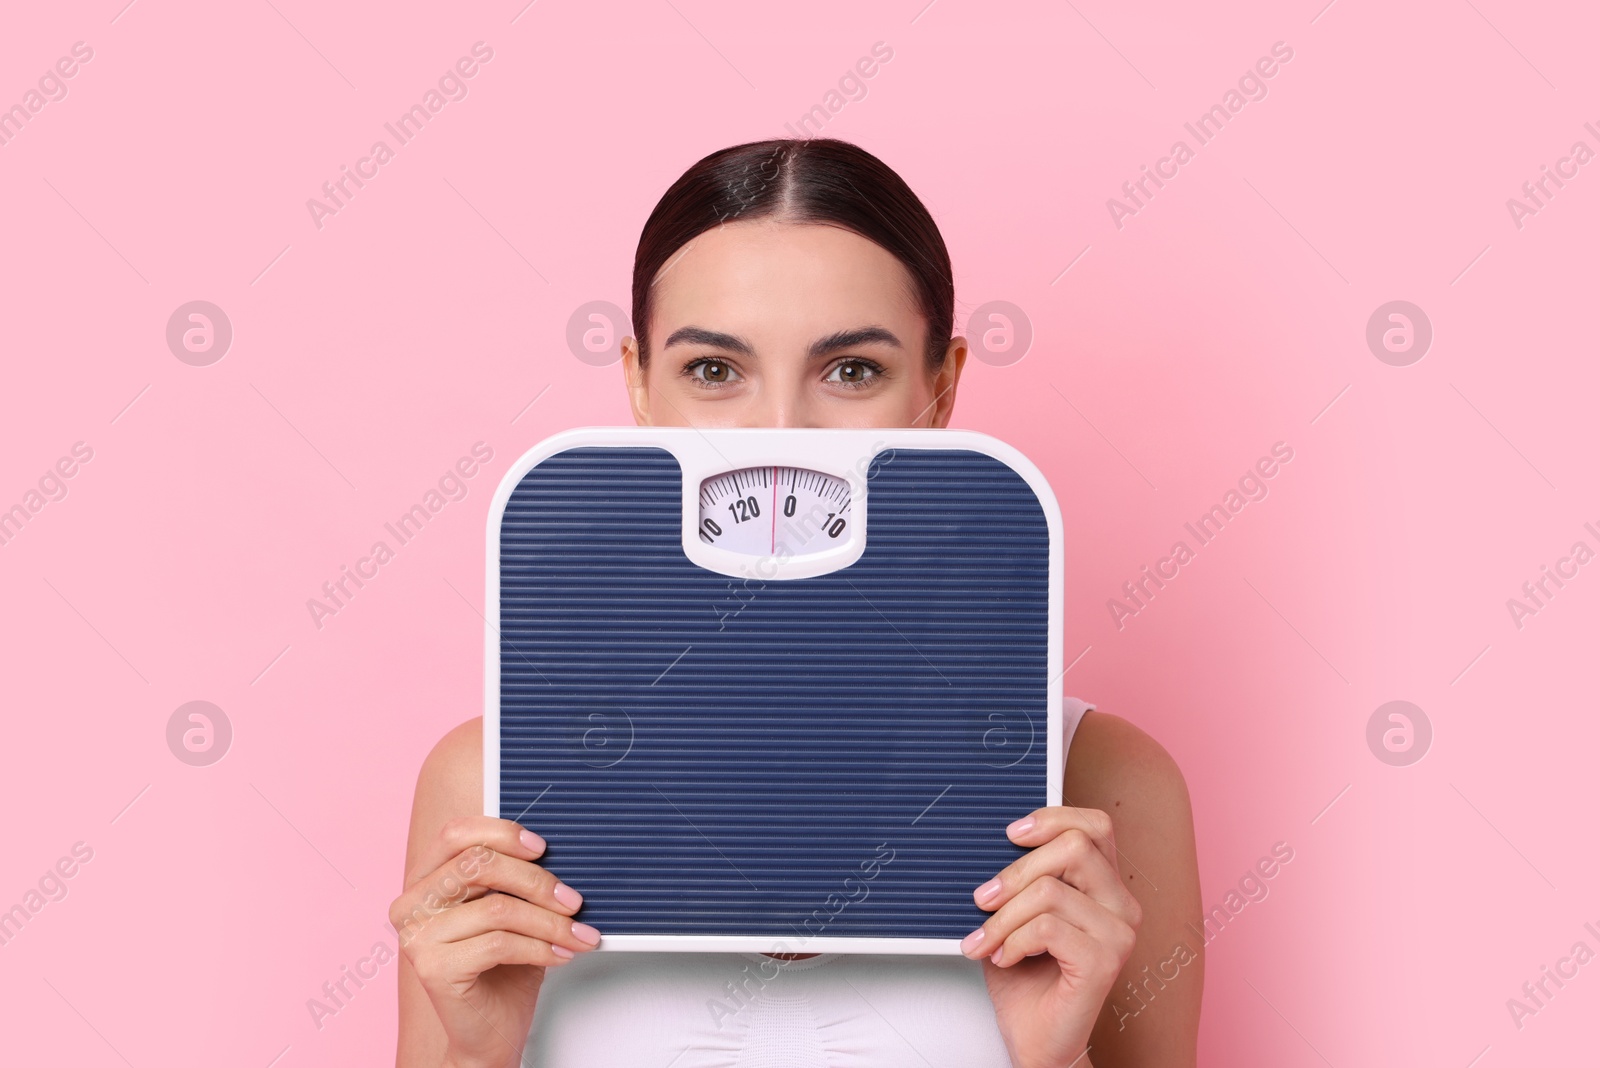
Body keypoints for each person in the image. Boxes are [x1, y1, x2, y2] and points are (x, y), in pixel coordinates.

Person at [392, 137, 1202, 1067]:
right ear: (639, 386)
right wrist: (476, 1054)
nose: (782, 433)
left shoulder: (1102, 791)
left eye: (852, 370)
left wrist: (1054, 1059)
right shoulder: (488, 789)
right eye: (712, 371)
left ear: (939, 390)